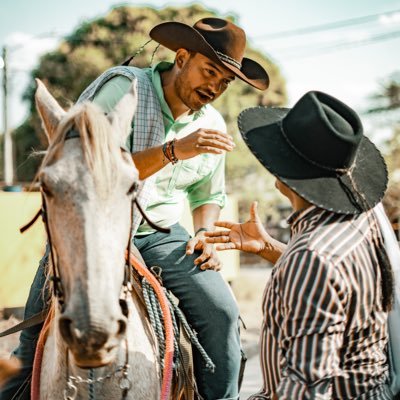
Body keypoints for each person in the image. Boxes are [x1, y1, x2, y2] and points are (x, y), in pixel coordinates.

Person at [0, 18, 269, 400]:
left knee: (223, 313)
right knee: (33, 337)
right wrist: (175, 150)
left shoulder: (211, 122)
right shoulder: (124, 87)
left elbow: (207, 194)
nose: (215, 87)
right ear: (181, 57)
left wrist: (205, 234)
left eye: (225, 82)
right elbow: (92, 163)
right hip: (96, 227)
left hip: (161, 233)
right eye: (210, 72)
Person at [206, 91, 395, 399]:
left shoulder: (312, 255)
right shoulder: (359, 222)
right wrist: (269, 247)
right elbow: (334, 285)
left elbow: (308, 386)